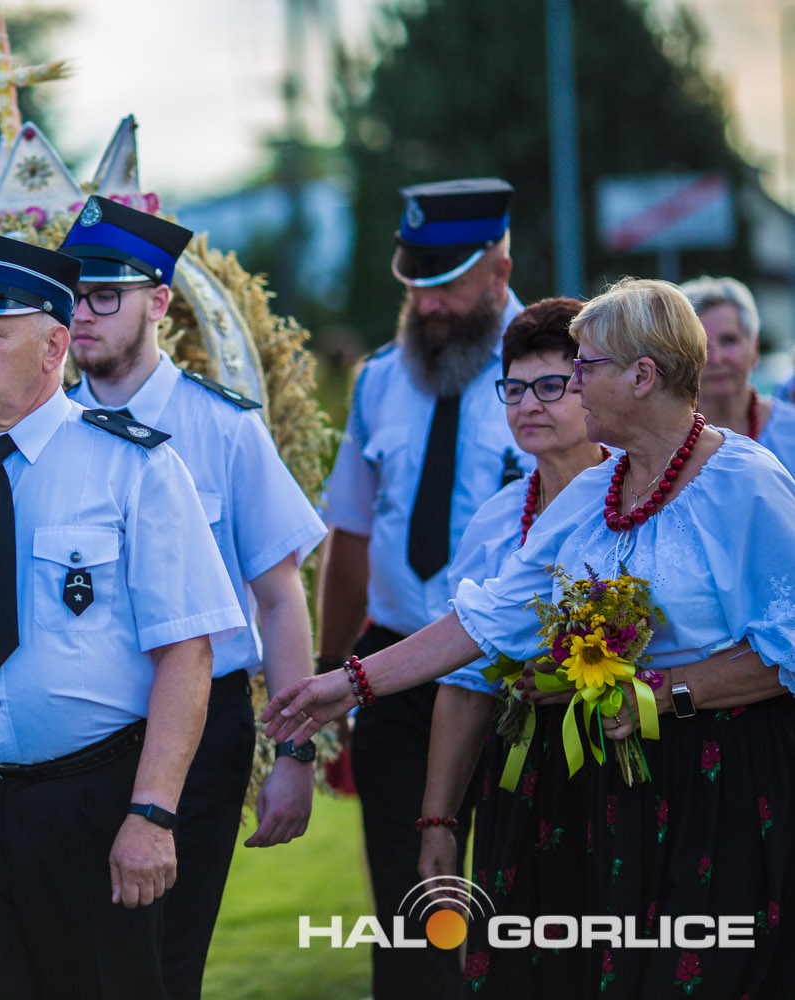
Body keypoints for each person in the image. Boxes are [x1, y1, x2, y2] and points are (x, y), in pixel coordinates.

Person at [271, 277, 795, 998]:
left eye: (585, 367)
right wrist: (350, 683)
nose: (573, 385)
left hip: (728, 778)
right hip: (625, 786)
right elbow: (485, 620)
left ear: (643, 375)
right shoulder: (593, 494)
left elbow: (788, 643)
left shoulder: (746, 480)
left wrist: (669, 690)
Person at [0, 227, 245, 1000]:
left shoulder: (135, 466)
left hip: (93, 802)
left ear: (55, 344)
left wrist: (152, 814)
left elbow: (187, 653)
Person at [60, 195, 327, 998]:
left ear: (159, 302)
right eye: (70, 295)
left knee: (166, 966)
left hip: (202, 727)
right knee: (74, 963)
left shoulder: (223, 427)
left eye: (104, 295)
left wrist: (296, 756)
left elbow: (279, 598)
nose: (82, 313)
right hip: (81, 730)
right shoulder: (47, 431)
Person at [318, 177, 526, 998]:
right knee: (411, 919)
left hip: (522, 679)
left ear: (499, 273)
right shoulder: (379, 379)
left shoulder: (561, 370)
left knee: (524, 911)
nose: (427, 305)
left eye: (446, 285)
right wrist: (333, 670)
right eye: (416, 284)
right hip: (398, 670)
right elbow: (351, 534)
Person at [415, 297, 611, 990]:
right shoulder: (498, 519)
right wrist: (439, 820)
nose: (528, 404)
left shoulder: (643, 496)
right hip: (523, 773)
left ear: (594, 387)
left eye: (551, 385)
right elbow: (465, 680)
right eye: (514, 388)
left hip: (632, 762)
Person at [680, 275, 795, 471]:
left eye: (729, 340)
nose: (716, 358)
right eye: (700, 345)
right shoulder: (659, 443)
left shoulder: (790, 431)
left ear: (755, 347)